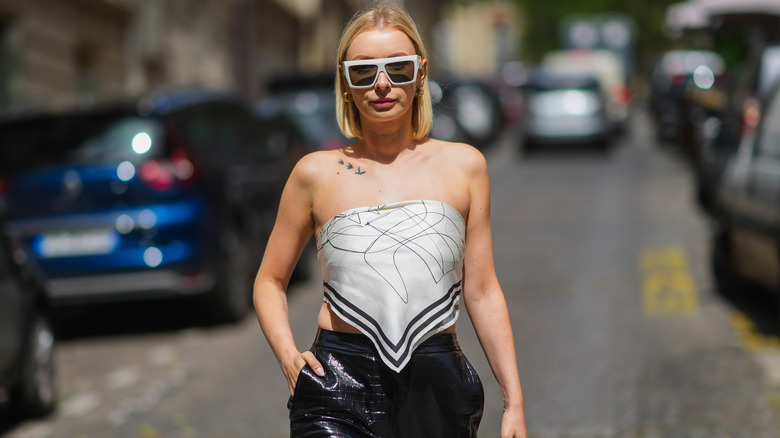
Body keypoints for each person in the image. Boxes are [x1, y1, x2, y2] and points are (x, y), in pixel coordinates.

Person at [253, 2, 527, 436]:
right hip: (336, 380)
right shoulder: (314, 173)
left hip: (438, 381)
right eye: (363, 71)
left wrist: (514, 401)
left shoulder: (464, 166)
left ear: (420, 74)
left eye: (398, 68)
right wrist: (289, 356)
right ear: (345, 82)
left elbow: (482, 289)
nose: (382, 84)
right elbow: (269, 281)